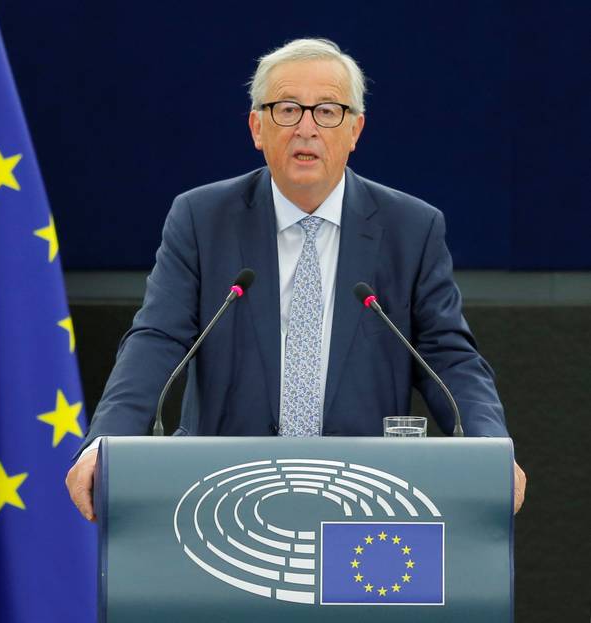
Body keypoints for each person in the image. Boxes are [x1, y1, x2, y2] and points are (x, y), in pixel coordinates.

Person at [66, 38, 526, 521]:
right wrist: (106, 442)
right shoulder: (202, 219)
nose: (306, 127)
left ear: (355, 130)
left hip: (362, 498)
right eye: (287, 109)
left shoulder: (411, 229)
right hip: (220, 496)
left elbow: (449, 357)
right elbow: (156, 340)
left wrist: (490, 448)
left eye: (327, 111)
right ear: (257, 128)